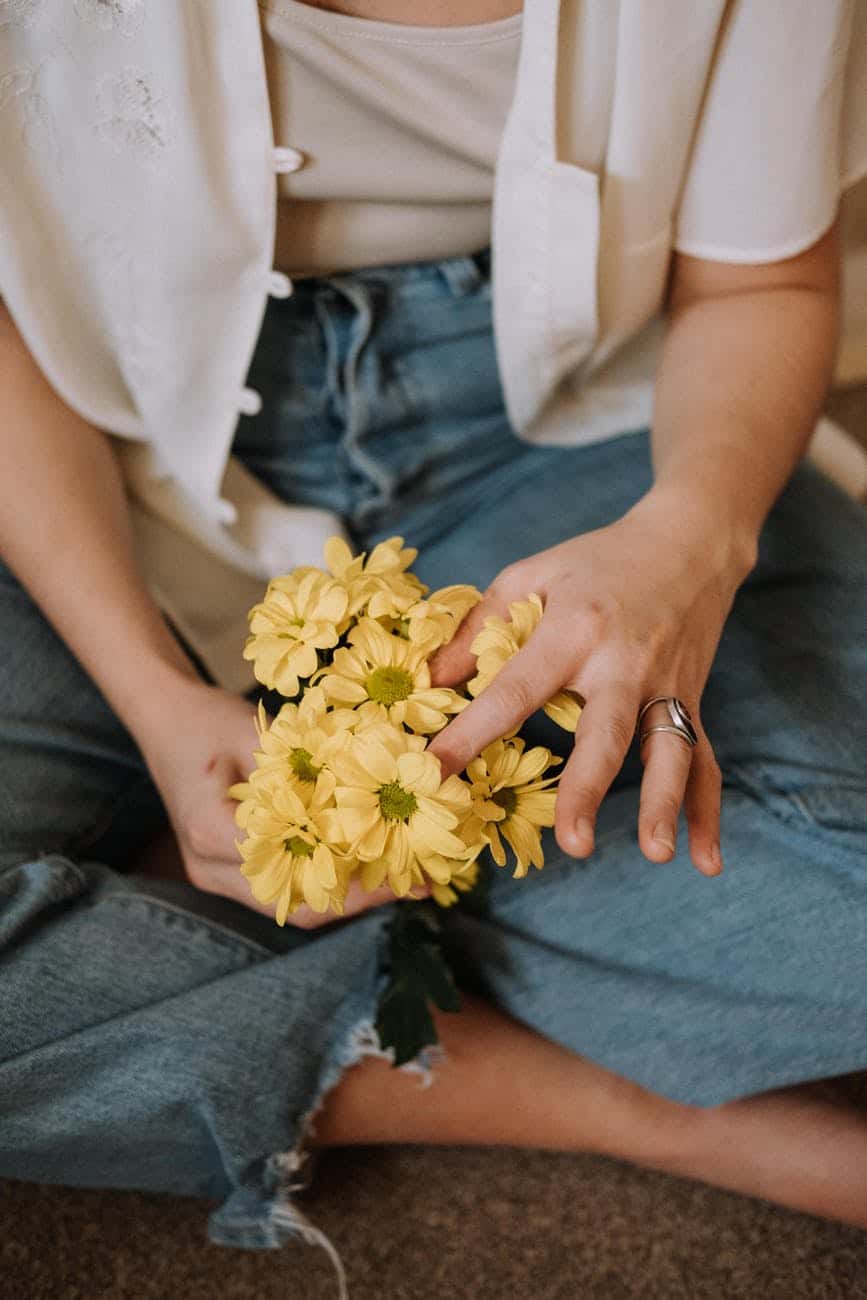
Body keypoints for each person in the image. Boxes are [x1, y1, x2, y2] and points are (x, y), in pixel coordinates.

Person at [1, 0, 867, 1269]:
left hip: (561, 432)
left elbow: (766, 280)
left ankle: (177, 944)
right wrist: (144, 687)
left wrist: (689, 538)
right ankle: (647, 1112)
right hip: (79, 452)